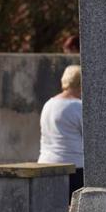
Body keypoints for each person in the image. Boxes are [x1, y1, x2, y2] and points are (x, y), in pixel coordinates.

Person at [38, 65, 83, 199]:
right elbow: (91, 138)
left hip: (46, 165)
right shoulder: (78, 106)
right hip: (74, 167)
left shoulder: (48, 104)